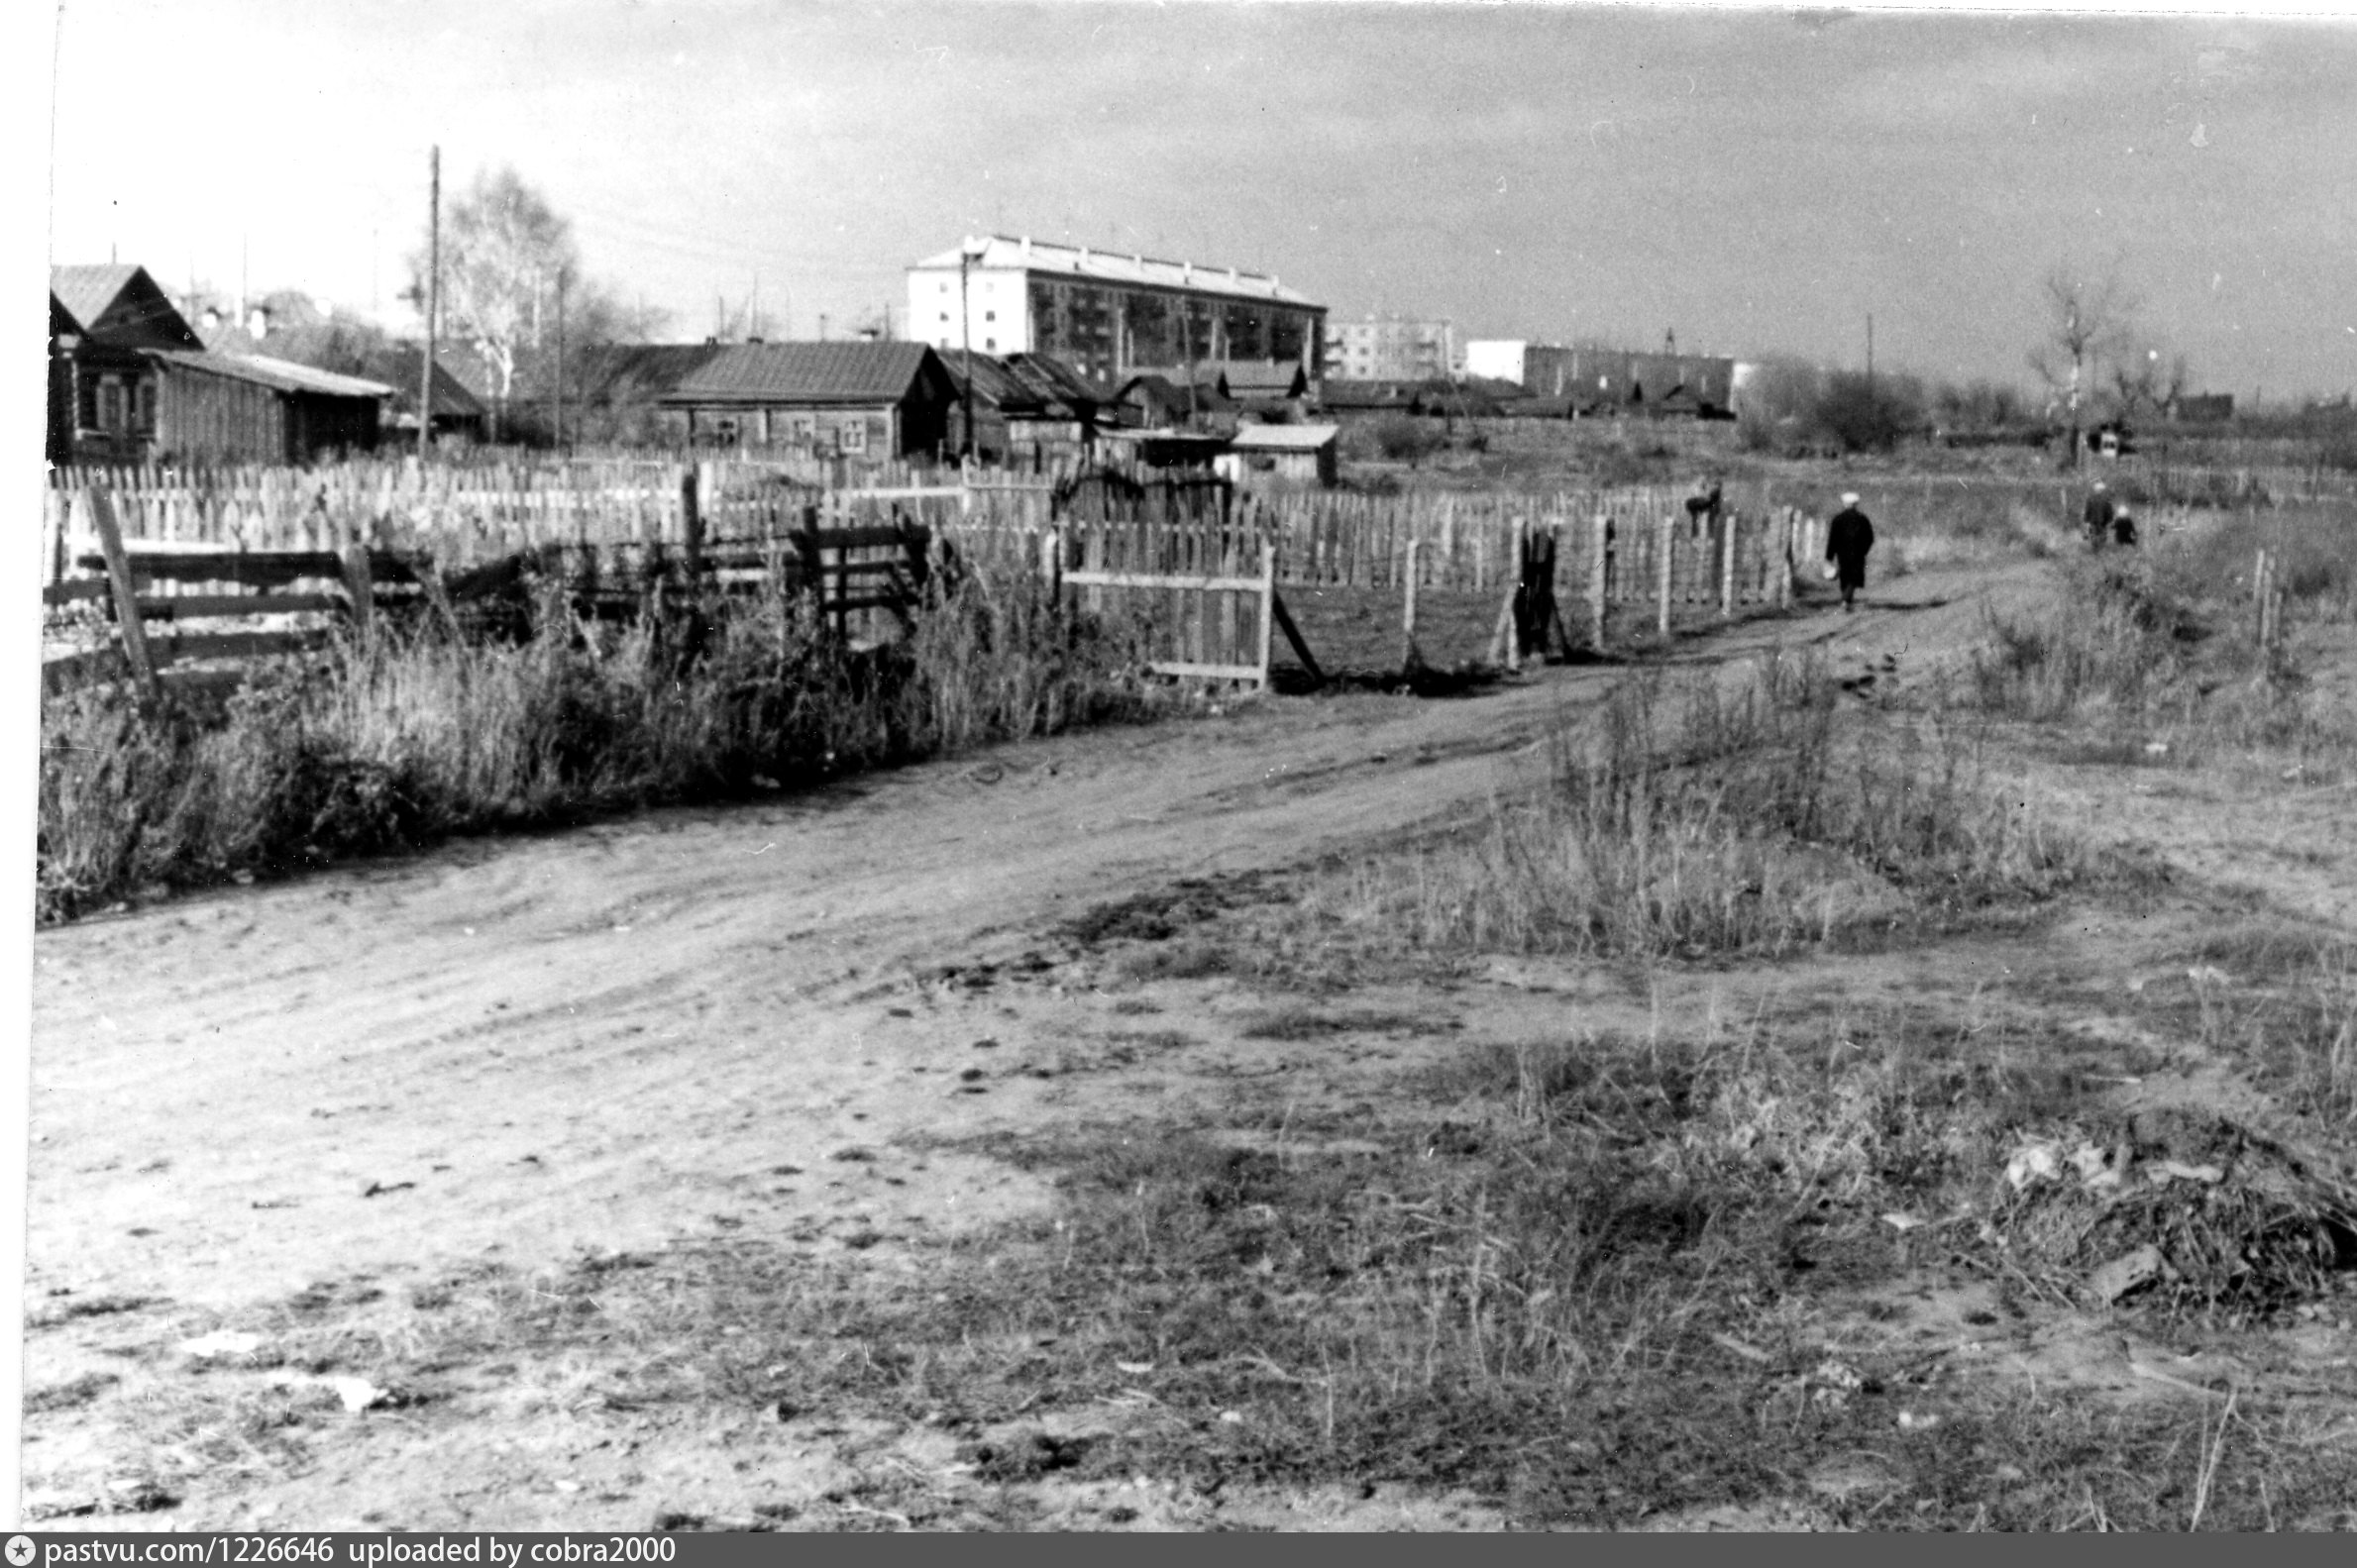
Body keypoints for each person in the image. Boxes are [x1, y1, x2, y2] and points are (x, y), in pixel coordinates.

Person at [1824, 491, 1875, 612]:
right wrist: (1864, 549)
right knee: (1854, 577)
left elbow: (1833, 539)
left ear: (1844, 504)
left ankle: (1846, 600)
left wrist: (1829, 556)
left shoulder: (1838, 519)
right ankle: (1846, 600)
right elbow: (1870, 537)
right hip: (1858, 553)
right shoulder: (1862, 519)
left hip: (1842, 553)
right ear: (1856, 504)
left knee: (1845, 576)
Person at [2083, 480, 2115, 551]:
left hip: (2094, 520)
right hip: (2102, 521)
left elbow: (2087, 510)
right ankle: (2099, 550)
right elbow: (2110, 511)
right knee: (2101, 536)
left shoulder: (2090, 498)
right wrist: (2110, 519)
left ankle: (2096, 549)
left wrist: (2086, 520)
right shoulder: (2106, 499)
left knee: (2095, 536)